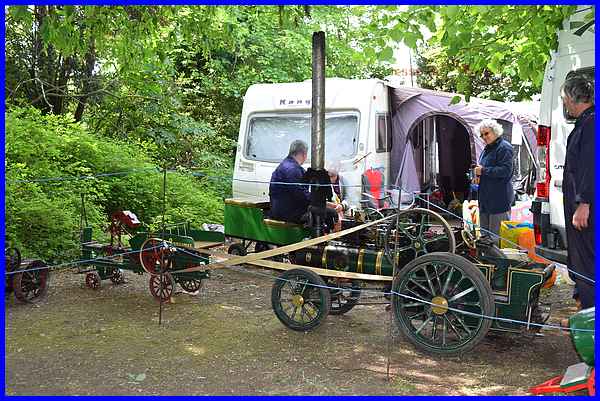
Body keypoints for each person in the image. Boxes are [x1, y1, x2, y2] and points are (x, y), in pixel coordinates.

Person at [561, 75, 594, 309]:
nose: (564, 104)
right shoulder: (585, 122)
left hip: (586, 208)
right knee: (581, 262)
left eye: (564, 99)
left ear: (573, 99)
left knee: (587, 263)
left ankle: (590, 325)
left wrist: (584, 203)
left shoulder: (592, 123)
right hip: (580, 204)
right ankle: (585, 313)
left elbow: (592, 166)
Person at [269, 140, 340, 230]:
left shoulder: (289, 165)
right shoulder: (292, 169)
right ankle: (322, 239)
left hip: (284, 209)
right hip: (287, 213)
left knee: (325, 210)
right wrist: (325, 204)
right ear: (304, 154)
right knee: (329, 213)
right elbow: (302, 195)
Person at [473, 119, 514, 244]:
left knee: (496, 237)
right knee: (485, 235)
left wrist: (483, 171)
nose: (484, 137)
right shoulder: (488, 148)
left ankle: (497, 262)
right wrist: (479, 176)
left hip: (499, 198)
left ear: (495, 132)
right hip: (486, 198)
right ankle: (486, 261)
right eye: (482, 135)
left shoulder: (504, 147)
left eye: (486, 133)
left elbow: (506, 171)